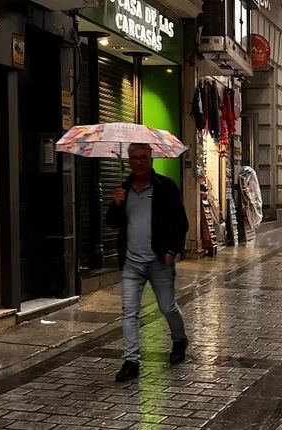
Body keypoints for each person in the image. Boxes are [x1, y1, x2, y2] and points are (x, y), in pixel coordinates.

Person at [105, 143, 190, 383]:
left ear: (151, 159)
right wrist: (116, 204)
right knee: (129, 312)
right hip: (131, 262)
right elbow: (111, 223)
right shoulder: (123, 189)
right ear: (129, 161)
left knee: (167, 307)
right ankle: (131, 361)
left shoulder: (166, 187)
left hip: (159, 260)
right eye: (134, 158)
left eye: (144, 157)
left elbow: (180, 222)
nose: (139, 162)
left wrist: (173, 250)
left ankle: (179, 340)